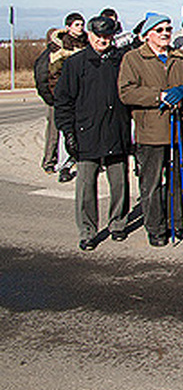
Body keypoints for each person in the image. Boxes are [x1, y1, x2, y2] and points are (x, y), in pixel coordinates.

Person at [118, 13, 183, 247]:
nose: (165, 33)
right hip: (151, 131)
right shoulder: (133, 58)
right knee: (152, 183)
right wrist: (158, 96)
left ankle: (178, 222)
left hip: (178, 129)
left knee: (180, 181)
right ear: (148, 34)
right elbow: (126, 92)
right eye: (159, 30)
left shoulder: (181, 57)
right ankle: (156, 227)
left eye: (168, 29)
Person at [53, 15, 131, 250]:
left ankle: (118, 223)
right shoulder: (75, 64)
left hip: (116, 130)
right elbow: (63, 102)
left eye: (107, 36)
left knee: (119, 183)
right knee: (86, 187)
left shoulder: (121, 61)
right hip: (86, 133)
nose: (102, 40)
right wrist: (68, 132)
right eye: (98, 36)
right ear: (89, 35)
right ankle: (87, 230)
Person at [44, 13, 89, 181]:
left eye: (82, 24)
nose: (80, 28)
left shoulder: (86, 43)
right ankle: (63, 165)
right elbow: (54, 74)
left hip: (83, 96)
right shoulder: (60, 46)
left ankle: (80, 160)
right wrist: (60, 96)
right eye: (77, 25)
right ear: (68, 27)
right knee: (65, 131)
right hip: (67, 95)